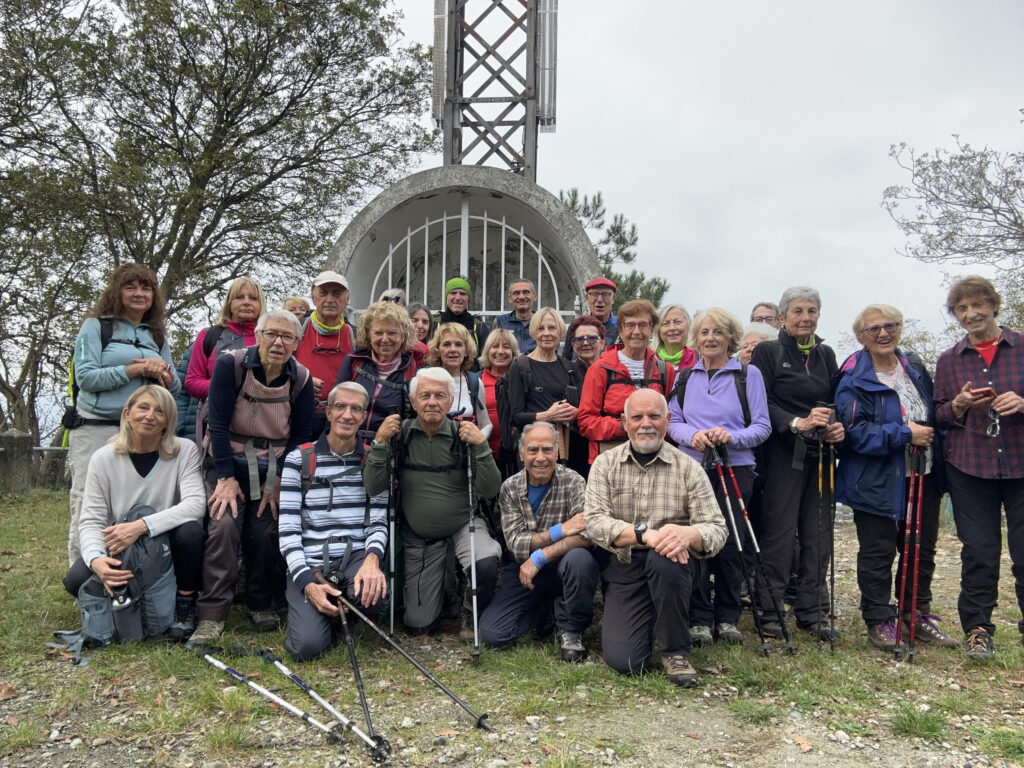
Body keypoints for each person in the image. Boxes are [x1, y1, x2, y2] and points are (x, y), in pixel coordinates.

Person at [187, 309, 314, 649]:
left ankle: (260, 602)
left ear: (297, 343)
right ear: (258, 336)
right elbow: (217, 423)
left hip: (271, 465)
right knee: (224, 526)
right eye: (271, 334)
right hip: (226, 458)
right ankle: (212, 614)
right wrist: (225, 477)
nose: (278, 342)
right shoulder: (231, 365)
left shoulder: (301, 379)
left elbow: (301, 436)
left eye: (287, 337)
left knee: (266, 530)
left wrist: (279, 481)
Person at [585, 389, 727, 686]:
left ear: (668, 419)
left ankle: (675, 652)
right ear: (624, 421)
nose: (646, 424)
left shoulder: (689, 467)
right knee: (624, 662)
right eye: (637, 417)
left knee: (665, 559)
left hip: (676, 566)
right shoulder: (604, 464)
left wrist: (689, 533)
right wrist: (645, 535)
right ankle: (649, 621)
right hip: (626, 565)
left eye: (654, 416)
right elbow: (595, 522)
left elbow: (717, 528)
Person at [835, 304, 956, 651]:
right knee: (878, 551)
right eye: (873, 329)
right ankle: (878, 619)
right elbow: (855, 433)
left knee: (920, 548)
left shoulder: (913, 367)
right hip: (875, 479)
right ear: (862, 337)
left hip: (923, 472)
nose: (883, 333)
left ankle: (915, 613)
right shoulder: (853, 378)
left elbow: (932, 412)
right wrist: (904, 434)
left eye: (890, 325)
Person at [365, 368, 502, 635]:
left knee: (486, 561)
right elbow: (373, 486)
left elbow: (490, 488)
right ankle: (447, 589)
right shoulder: (400, 435)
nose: (432, 402)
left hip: (463, 525)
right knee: (420, 625)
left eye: (440, 396)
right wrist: (379, 442)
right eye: (425, 395)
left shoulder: (464, 436)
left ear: (450, 401)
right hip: (420, 535)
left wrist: (481, 446)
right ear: (413, 401)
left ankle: (469, 609)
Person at [64, 385, 206, 642]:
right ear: (127, 413)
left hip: (166, 546)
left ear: (168, 421)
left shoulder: (184, 450)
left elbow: (196, 504)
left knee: (191, 532)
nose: (150, 416)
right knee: (76, 580)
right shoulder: (103, 458)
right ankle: (127, 599)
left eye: (160, 411)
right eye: (143, 407)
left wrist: (141, 526)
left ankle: (183, 605)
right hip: (122, 546)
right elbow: (91, 520)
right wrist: (97, 560)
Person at [667, 308, 771, 646]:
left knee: (729, 542)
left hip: (734, 468)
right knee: (695, 538)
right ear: (696, 339)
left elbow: (762, 426)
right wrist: (692, 436)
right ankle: (698, 617)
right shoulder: (685, 377)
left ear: (730, 338)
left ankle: (727, 617)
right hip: (693, 468)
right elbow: (672, 421)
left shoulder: (748, 375)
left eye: (718, 332)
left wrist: (731, 436)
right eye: (704, 332)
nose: (710, 338)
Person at [933, 276, 1024, 661]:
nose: (971, 314)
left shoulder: (1022, 347)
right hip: (969, 466)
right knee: (980, 553)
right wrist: (959, 404)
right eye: (961, 308)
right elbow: (939, 415)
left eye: (977, 305)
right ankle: (978, 629)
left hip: (1020, 462)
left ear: (993, 305)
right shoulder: (948, 360)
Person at [67, 263, 179, 565]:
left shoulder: (156, 336)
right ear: (117, 292)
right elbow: (86, 378)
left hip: (144, 432)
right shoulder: (96, 327)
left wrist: (163, 373)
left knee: (133, 500)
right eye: (131, 287)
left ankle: (134, 569)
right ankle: (83, 574)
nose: (139, 293)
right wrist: (135, 369)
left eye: (146, 288)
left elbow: (175, 388)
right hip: (97, 426)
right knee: (87, 501)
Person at [749, 287, 844, 641]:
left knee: (818, 532)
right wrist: (796, 422)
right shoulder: (768, 351)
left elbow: (834, 400)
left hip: (821, 451)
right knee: (781, 532)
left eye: (812, 311)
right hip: (781, 452)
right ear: (783, 317)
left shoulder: (826, 354)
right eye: (798, 311)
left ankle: (813, 610)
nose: (806, 318)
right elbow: (761, 400)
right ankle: (770, 608)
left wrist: (836, 425)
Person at [277, 382, 389, 661]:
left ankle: (340, 609)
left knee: (374, 594)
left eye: (356, 409)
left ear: (364, 416)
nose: (347, 415)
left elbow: (378, 521)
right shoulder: (298, 460)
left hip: (355, 556)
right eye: (340, 407)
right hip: (312, 561)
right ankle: (322, 610)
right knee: (306, 648)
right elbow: (288, 531)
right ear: (327, 412)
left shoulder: (373, 461)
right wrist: (307, 582)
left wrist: (373, 561)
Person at [479, 422, 600, 661]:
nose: (541, 458)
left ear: (557, 451)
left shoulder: (574, 481)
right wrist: (560, 530)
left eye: (547, 450)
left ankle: (572, 630)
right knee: (492, 634)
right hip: (523, 569)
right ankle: (546, 611)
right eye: (533, 450)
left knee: (580, 559)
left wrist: (540, 556)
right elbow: (516, 545)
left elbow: (587, 534)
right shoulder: (510, 488)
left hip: (562, 565)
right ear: (521, 454)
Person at [577, 299, 676, 463]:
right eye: (630, 325)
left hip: (655, 458)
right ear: (621, 330)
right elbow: (586, 422)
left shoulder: (665, 370)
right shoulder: (600, 369)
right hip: (611, 458)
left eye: (643, 325)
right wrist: (625, 426)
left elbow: (671, 419)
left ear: (652, 329)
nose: (636, 331)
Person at [184, 276, 265, 440]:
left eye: (253, 298)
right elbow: (192, 382)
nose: (246, 302)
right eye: (239, 297)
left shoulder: (270, 337)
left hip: (261, 422)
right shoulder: (209, 335)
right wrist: (226, 388)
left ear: (261, 304)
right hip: (216, 420)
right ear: (229, 303)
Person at [506, 308, 581, 468]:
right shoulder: (520, 366)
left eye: (552, 328)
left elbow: (581, 408)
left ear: (560, 332)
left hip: (566, 450)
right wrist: (547, 415)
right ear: (533, 333)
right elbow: (516, 417)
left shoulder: (570, 367)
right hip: (534, 451)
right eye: (541, 328)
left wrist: (575, 412)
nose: (546, 333)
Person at [335, 300, 420, 439]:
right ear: (369, 335)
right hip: (349, 442)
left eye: (392, 333)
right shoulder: (354, 361)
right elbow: (336, 405)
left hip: (389, 446)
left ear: (403, 335)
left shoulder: (412, 371)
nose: (385, 339)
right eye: (378, 333)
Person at [293, 271, 356, 438]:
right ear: (313, 297)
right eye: (323, 293)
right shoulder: (295, 329)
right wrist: (300, 379)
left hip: (341, 419)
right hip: (298, 415)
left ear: (347, 299)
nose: (329, 299)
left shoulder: (356, 336)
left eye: (336, 294)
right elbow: (274, 366)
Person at [427, 322, 492, 438]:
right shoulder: (426, 379)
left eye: (458, 344)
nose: (453, 349)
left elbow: (486, 424)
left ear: (466, 351)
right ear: (438, 350)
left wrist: (477, 441)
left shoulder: (474, 383)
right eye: (446, 344)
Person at [479, 329, 520, 462]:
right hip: (484, 453)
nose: (500, 351)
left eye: (506, 347)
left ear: (513, 353)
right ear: (487, 351)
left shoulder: (520, 380)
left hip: (515, 455)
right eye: (495, 346)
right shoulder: (476, 380)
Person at [436, 276, 489, 362]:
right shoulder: (434, 323)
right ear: (446, 297)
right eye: (453, 293)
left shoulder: (479, 326)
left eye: (463, 294)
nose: (458, 297)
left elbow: (486, 359)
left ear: (468, 298)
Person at [565, 277, 619, 361]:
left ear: (613, 298)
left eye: (605, 294)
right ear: (587, 298)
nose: (600, 300)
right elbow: (566, 360)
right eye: (594, 294)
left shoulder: (621, 327)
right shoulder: (577, 327)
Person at [493, 278, 538, 354]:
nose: (521, 297)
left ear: (535, 296)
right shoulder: (500, 322)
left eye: (526, 292)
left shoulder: (543, 322)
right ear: (510, 298)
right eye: (516, 293)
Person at [654, 304, 697, 370]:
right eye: (666, 323)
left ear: (688, 326)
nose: (672, 328)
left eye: (678, 322)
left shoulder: (700, 358)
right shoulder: (650, 361)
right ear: (658, 330)